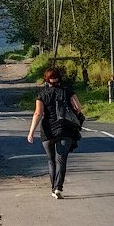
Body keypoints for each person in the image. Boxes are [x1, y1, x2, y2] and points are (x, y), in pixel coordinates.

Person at [27, 67, 84, 199]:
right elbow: (78, 108)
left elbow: (38, 113)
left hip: (48, 131)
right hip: (65, 130)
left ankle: (53, 188)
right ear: (60, 78)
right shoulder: (68, 92)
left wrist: (31, 132)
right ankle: (58, 188)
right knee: (61, 160)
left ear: (46, 80)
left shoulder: (42, 95)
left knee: (51, 160)